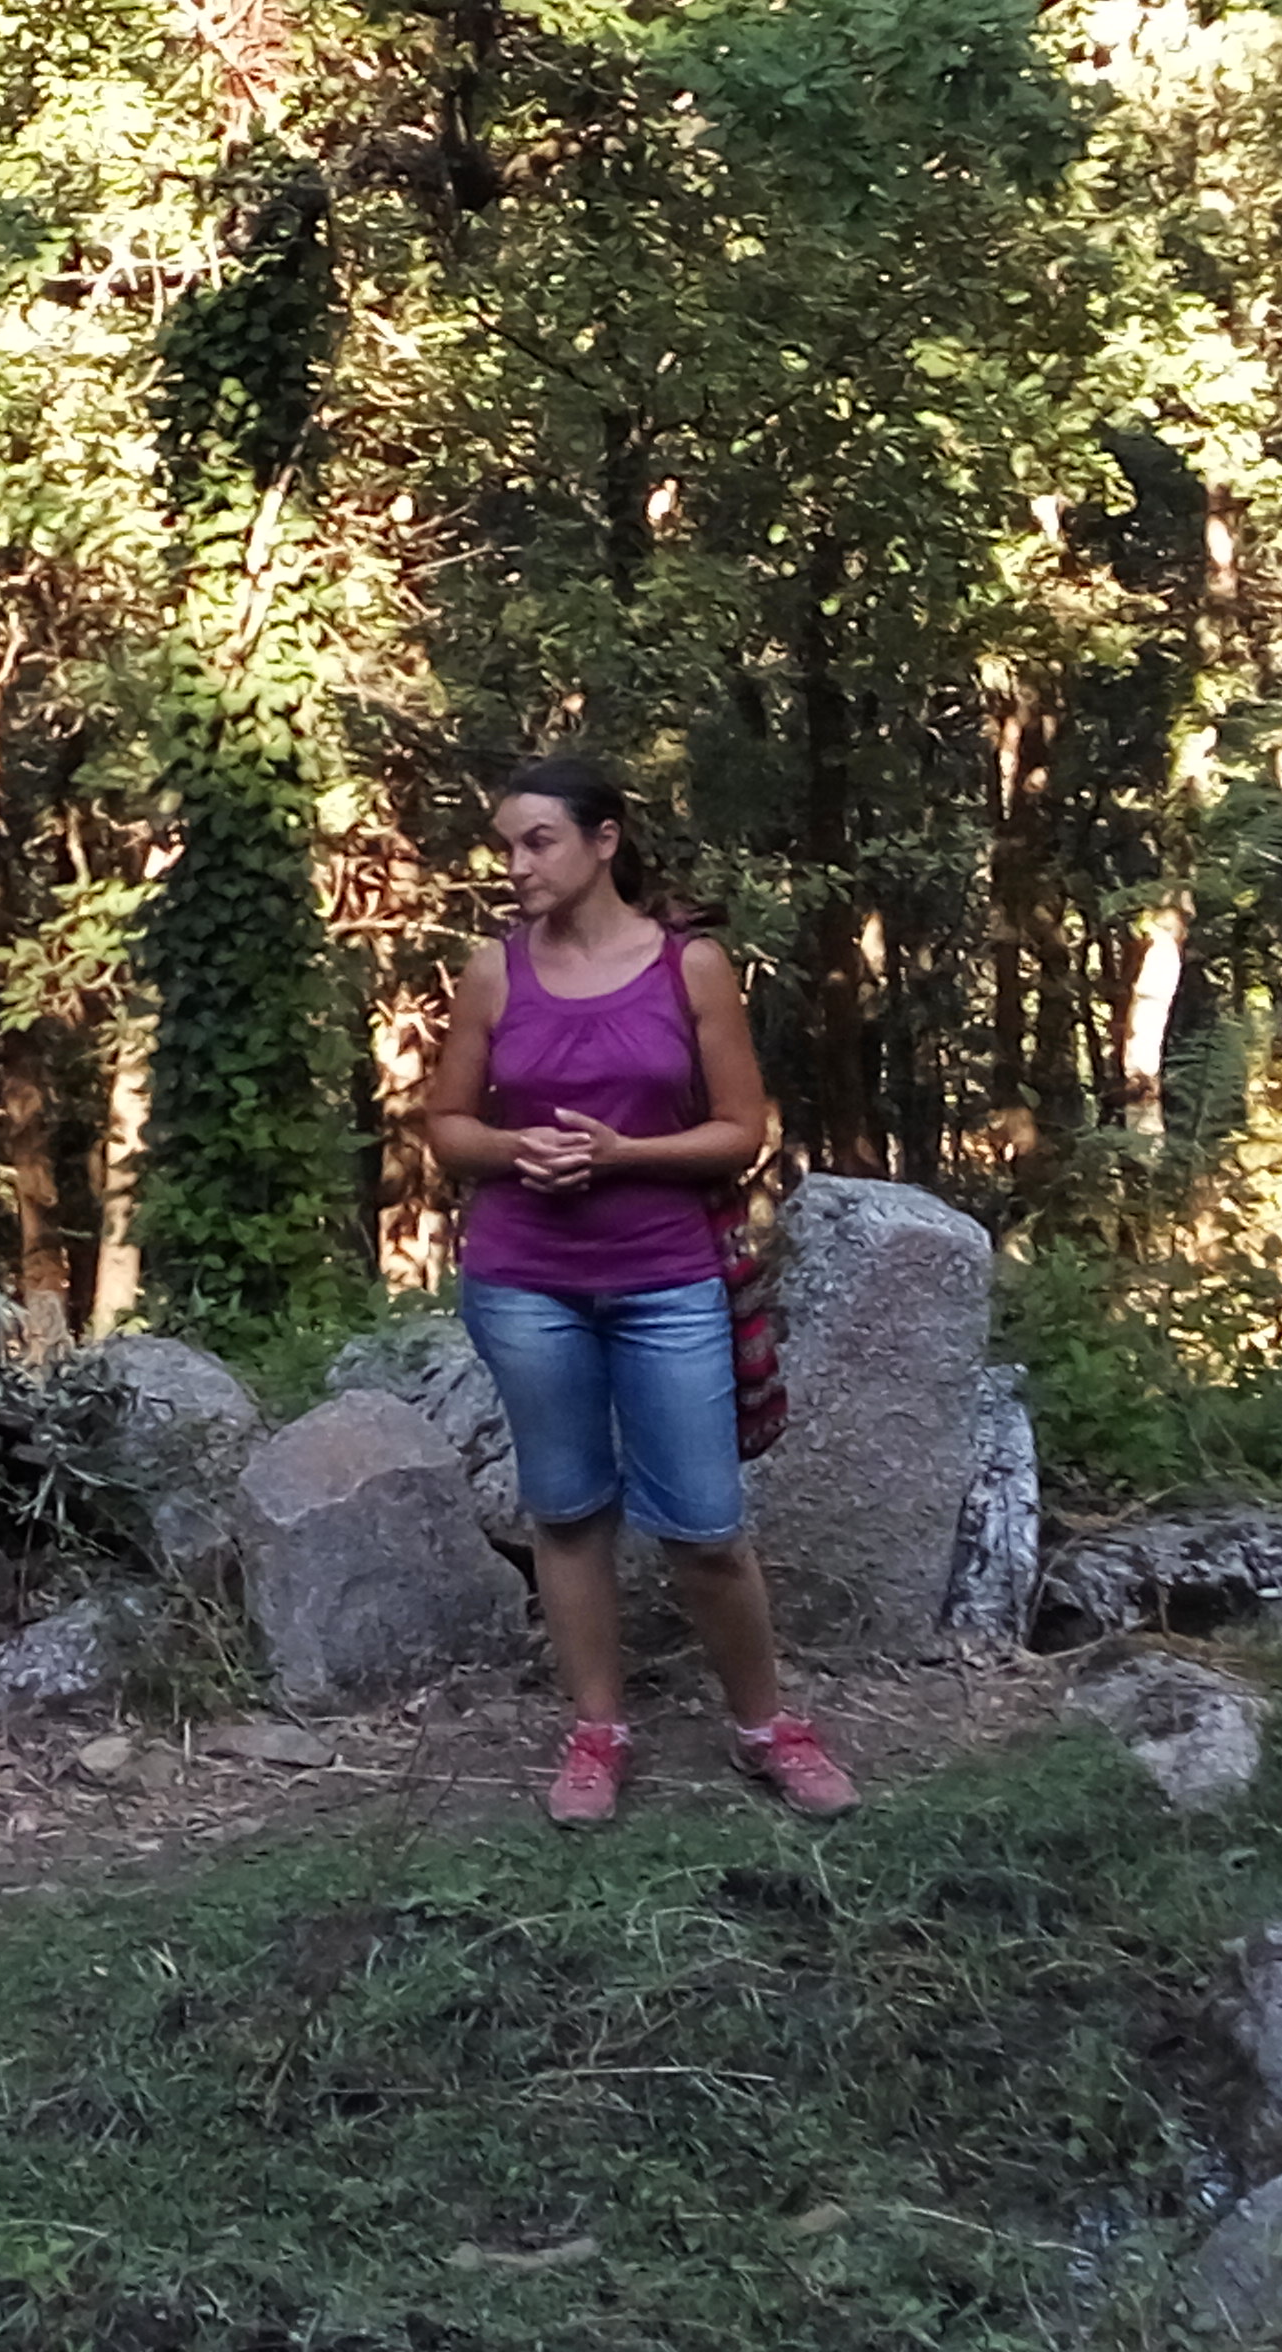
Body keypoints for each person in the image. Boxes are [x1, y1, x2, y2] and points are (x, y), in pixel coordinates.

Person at [422, 754, 859, 1828]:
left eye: (538, 842)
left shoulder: (689, 967)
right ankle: (597, 1733)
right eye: (506, 846)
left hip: (666, 1279)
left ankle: (767, 1727)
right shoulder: (492, 972)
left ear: (603, 840)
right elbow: (448, 1128)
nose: (516, 866)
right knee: (568, 1510)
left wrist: (620, 1156)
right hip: (525, 1283)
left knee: (704, 1524)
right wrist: (515, 1147)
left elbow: (739, 1132)